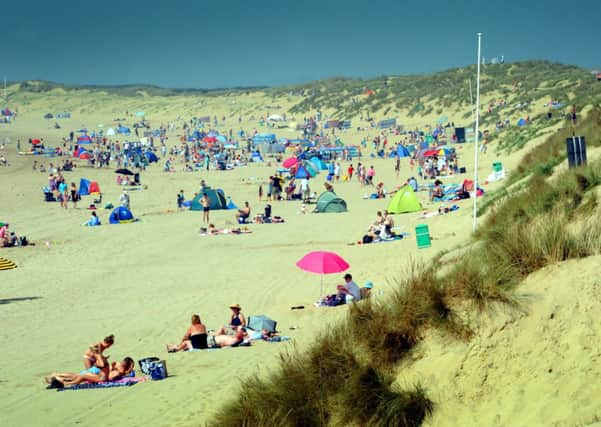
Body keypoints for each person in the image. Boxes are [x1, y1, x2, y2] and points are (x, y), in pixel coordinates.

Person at [46, 357, 134, 389]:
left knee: (79, 375)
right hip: (100, 375)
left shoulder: (117, 365)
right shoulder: (120, 370)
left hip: (99, 373)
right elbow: (110, 377)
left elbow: (110, 371)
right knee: (80, 376)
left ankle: (59, 377)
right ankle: (63, 381)